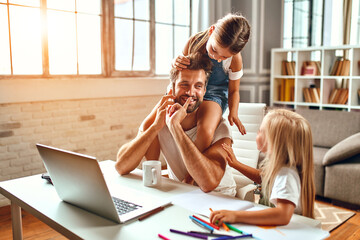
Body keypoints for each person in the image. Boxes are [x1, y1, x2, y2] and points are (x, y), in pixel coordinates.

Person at [115, 52, 237, 197]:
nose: (191, 92)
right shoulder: (160, 120)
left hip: (221, 198)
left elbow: (208, 183)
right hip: (183, 195)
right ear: (172, 88)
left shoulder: (219, 127)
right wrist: (155, 127)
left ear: (204, 91)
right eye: (184, 84)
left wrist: (175, 127)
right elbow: (121, 166)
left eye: (198, 86)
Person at [210, 109, 315, 226]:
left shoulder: (286, 175)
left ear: (274, 142)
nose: (257, 133)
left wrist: (236, 215)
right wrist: (235, 164)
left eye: (260, 131)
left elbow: (283, 215)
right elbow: (263, 178)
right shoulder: (281, 166)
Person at [172, 13, 250, 153]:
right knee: (154, 120)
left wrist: (234, 112)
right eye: (214, 50)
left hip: (215, 93)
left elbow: (234, 91)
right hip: (192, 86)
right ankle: (152, 167)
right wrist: (175, 62)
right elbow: (180, 72)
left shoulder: (235, 60)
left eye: (224, 56)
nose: (217, 57)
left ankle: (190, 173)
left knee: (206, 131)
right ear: (211, 31)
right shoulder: (193, 42)